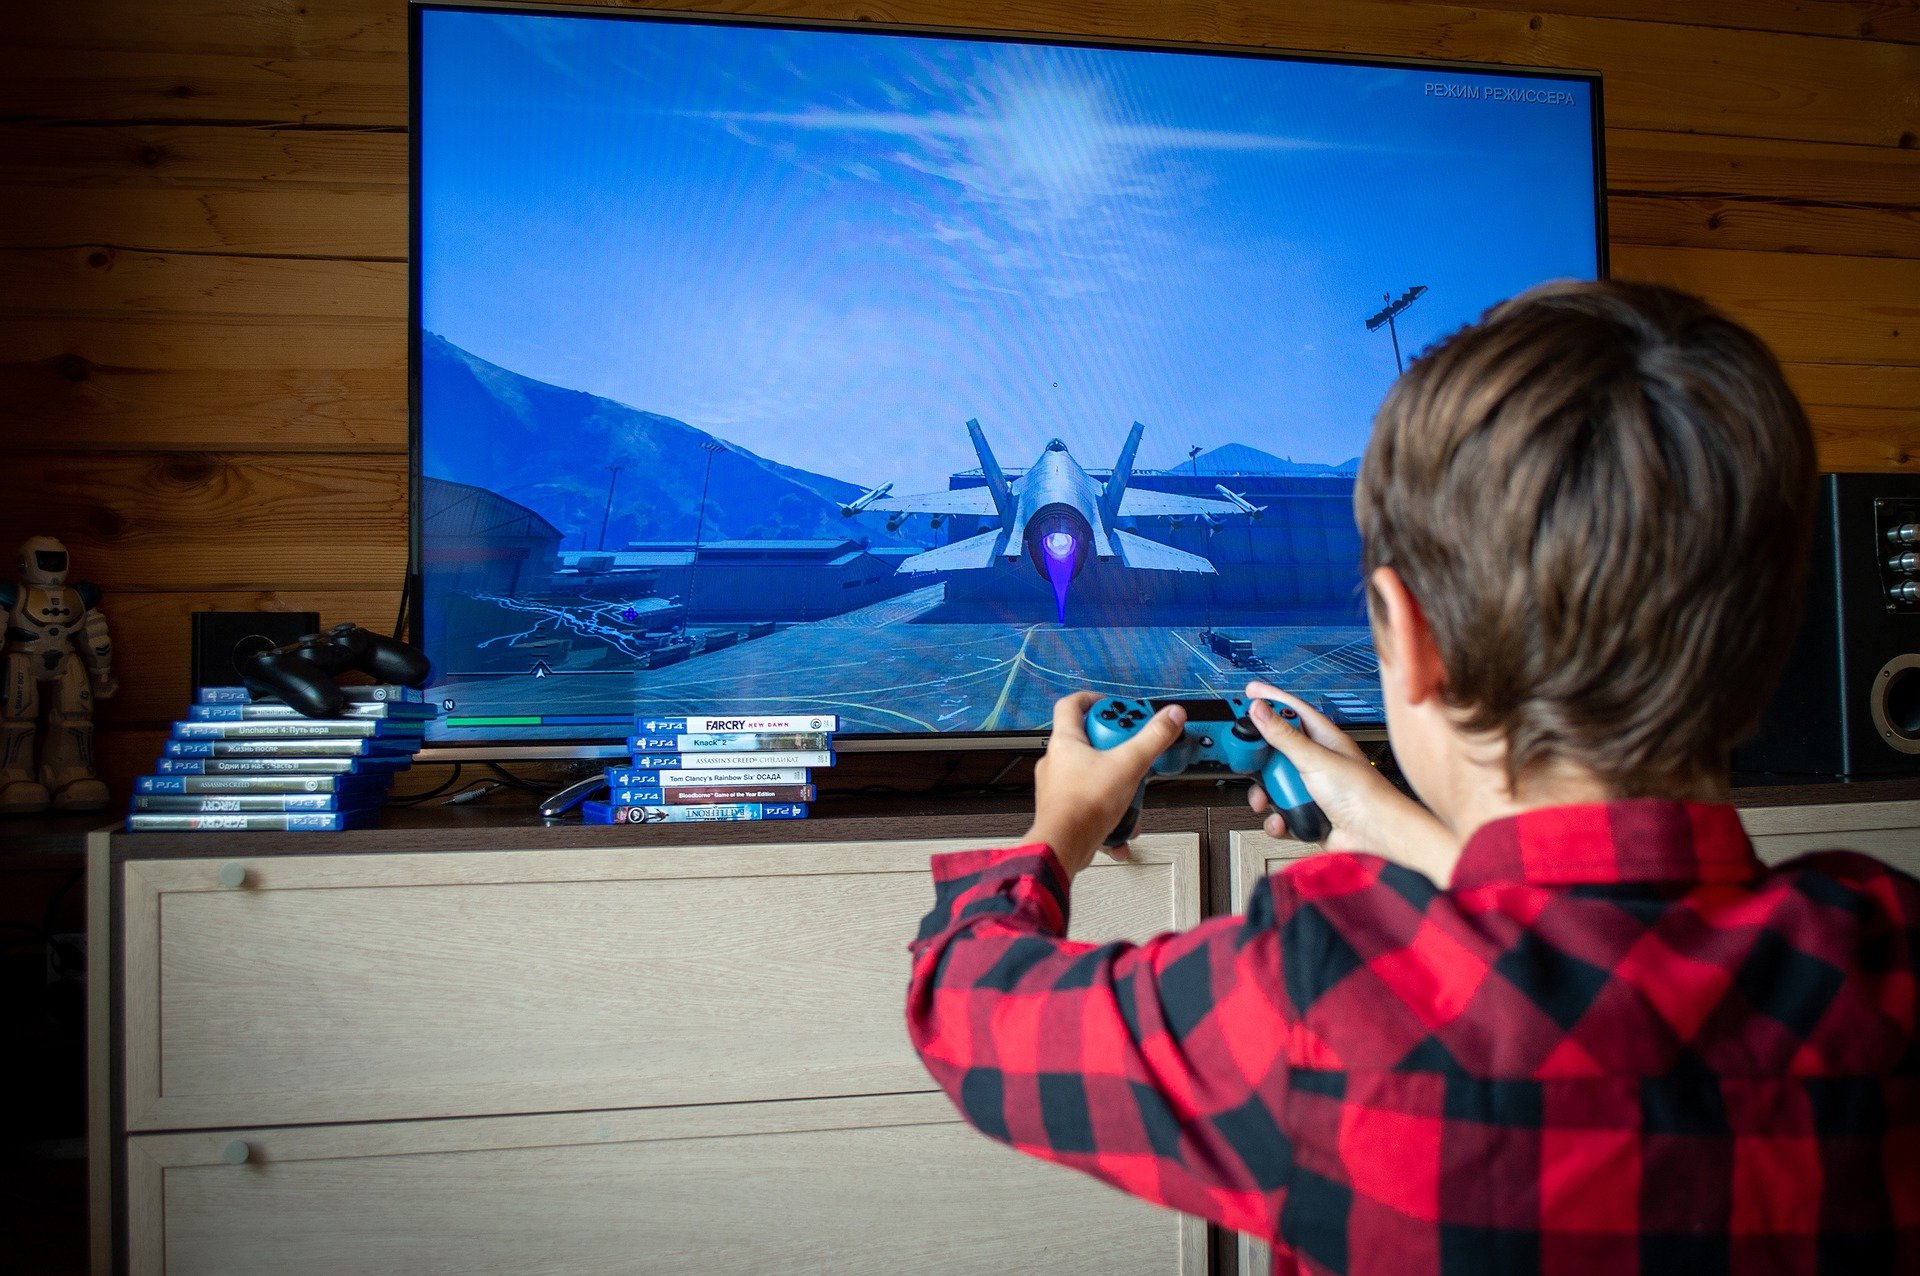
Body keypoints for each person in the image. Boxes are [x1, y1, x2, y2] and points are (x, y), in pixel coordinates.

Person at [906, 280, 1919, 1274]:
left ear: (1408, 636)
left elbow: (964, 1003)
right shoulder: (1885, 951)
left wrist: (1056, 831)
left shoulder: (1323, 982)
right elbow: (1600, 965)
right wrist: (1399, 828)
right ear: (1774, 632)